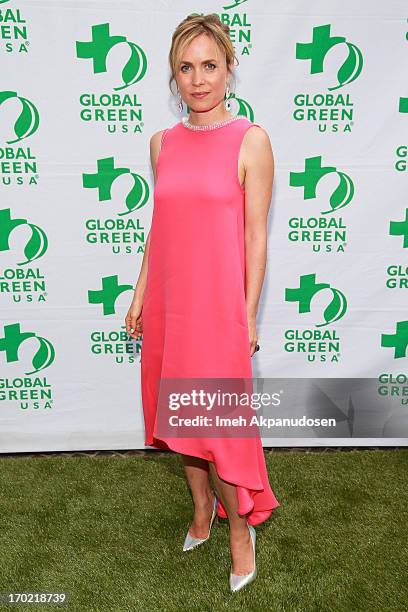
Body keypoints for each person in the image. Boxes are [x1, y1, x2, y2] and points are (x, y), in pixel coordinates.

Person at [125, 13, 280, 593]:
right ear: (173, 76)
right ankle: (201, 514)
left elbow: (257, 236)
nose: (198, 79)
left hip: (217, 310)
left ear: (228, 70)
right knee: (180, 422)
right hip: (170, 305)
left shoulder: (251, 140)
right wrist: (140, 295)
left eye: (209, 66)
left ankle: (242, 532)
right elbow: (159, 227)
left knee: (216, 425)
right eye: (186, 68)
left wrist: (247, 316)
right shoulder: (161, 143)